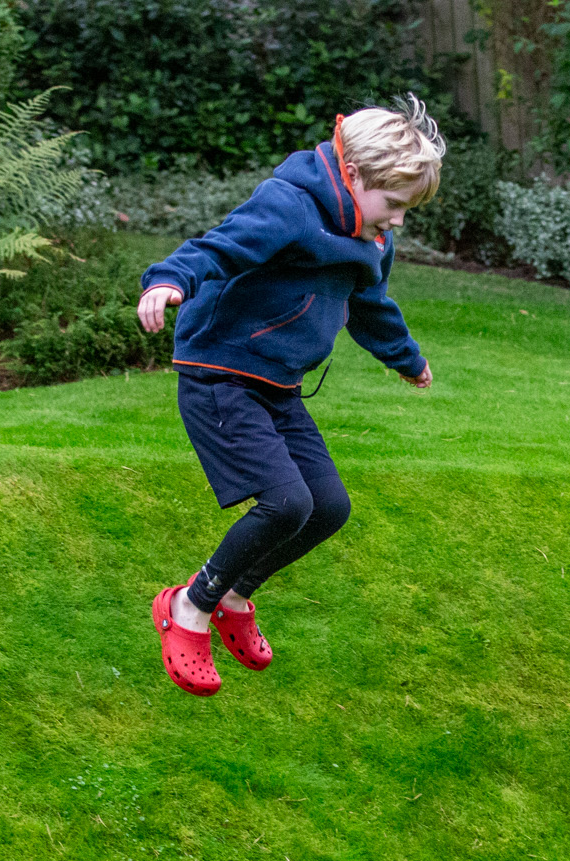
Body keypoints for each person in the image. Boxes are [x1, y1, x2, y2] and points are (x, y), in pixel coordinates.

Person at [136, 95, 442, 697]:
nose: (399, 221)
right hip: (222, 375)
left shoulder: (373, 237)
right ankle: (188, 607)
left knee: (328, 506)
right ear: (356, 175)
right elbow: (219, 248)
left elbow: (370, 304)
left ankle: (234, 596)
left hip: (278, 386)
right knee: (285, 503)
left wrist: (406, 360)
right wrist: (169, 280)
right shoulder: (290, 205)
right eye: (395, 205)